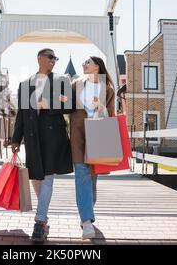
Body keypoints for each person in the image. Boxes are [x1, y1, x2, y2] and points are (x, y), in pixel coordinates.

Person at [11, 48, 74, 242]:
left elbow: (70, 104)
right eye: (51, 57)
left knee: (47, 177)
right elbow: (21, 114)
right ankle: (44, 216)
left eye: (56, 58)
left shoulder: (62, 80)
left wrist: (48, 104)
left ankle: (39, 222)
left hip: (53, 136)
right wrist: (15, 139)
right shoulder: (24, 84)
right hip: (32, 137)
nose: (54, 60)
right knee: (36, 178)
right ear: (40, 59)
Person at [69, 56, 115, 239]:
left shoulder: (108, 89)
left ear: (97, 66)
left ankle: (85, 215)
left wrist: (100, 107)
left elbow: (111, 116)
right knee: (82, 175)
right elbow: (66, 106)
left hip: (98, 134)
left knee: (92, 180)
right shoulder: (76, 84)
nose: (83, 64)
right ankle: (87, 222)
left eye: (86, 62)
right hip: (79, 135)